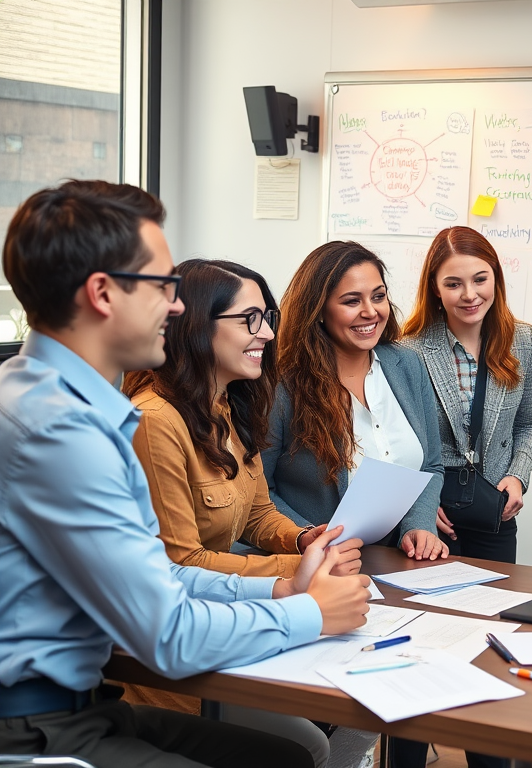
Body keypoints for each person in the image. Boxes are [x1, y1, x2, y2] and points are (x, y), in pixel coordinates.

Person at [0, 180, 371, 768]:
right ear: (102, 294)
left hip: (82, 704)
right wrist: (310, 612)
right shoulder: (60, 431)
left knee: (291, 756)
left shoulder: (74, 406)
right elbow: (166, 634)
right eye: (162, 285)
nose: (176, 306)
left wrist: (284, 588)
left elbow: (160, 576)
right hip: (31, 728)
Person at [121, 258, 374, 768]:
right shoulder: (155, 421)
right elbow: (181, 561)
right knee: (308, 744)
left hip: (229, 615)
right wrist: (297, 574)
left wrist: (306, 541)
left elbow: (258, 514)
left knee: (351, 716)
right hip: (177, 650)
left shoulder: (228, 405)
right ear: (196, 326)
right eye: (249, 320)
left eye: (268, 318)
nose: (266, 334)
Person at [263, 241, 446, 560]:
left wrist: (419, 525)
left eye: (378, 296)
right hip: (314, 564)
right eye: (352, 301)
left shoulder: (408, 365)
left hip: (397, 561)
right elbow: (256, 493)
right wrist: (305, 537)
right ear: (318, 309)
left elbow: (429, 464)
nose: (371, 311)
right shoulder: (282, 385)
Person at [403, 226, 532, 565]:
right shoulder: (407, 350)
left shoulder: (522, 341)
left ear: (496, 280)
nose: (469, 294)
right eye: (453, 284)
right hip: (431, 520)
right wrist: (416, 508)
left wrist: (517, 477)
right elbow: (396, 441)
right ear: (435, 289)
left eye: (480, 279)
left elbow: (529, 423)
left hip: (495, 509)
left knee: (494, 612)